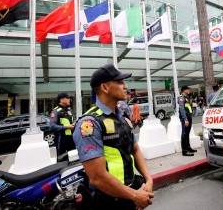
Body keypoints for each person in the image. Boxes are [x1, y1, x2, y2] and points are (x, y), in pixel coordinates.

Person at [73, 64, 154, 210]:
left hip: (129, 194)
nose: (125, 86)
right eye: (120, 82)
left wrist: (148, 180)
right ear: (105, 88)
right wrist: (135, 196)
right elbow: (97, 177)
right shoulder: (89, 123)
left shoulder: (123, 118)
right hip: (107, 202)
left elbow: (135, 150)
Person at [50, 93, 76, 157]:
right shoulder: (55, 111)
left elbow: (73, 119)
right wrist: (67, 127)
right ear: (61, 100)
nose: (69, 99)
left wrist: (75, 123)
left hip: (71, 138)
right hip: (61, 139)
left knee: (73, 158)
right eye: (67, 98)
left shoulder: (69, 109)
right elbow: (52, 126)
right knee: (61, 158)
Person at [177, 85, 197, 156]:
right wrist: (185, 119)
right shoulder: (181, 98)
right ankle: (184, 151)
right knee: (184, 133)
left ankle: (188, 148)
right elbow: (182, 109)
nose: (189, 91)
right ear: (184, 90)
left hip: (189, 116)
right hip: (185, 117)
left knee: (187, 133)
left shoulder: (187, 98)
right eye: (188, 89)